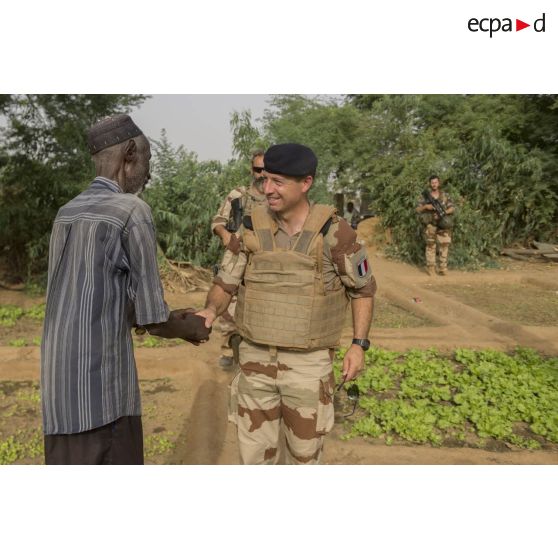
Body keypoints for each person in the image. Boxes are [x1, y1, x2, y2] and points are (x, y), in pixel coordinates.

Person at [40, 114, 210, 465]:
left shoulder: (66, 213)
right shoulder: (131, 210)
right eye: (148, 161)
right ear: (130, 153)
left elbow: (93, 293)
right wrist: (189, 326)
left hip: (59, 396)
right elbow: (153, 320)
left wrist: (154, 315)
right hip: (103, 398)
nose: (148, 173)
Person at [197, 143, 377, 465]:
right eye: (265, 180)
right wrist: (211, 310)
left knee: (304, 460)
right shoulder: (250, 227)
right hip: (254, 363)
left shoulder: (335, 232)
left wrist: (359, 345)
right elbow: (226, 282)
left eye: (278, 182)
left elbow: (362, 290)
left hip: (308, 368)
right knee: (255, 459)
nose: (267, 189)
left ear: (305, 183)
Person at [210, 150, 267, 369]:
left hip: (262, 260)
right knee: (227, 305)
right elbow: (217, 221)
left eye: (266, 169)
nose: (262, 174)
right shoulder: (238, 196)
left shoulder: (276, 197)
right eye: (258, 169)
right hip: (235, 256)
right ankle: (228, 349)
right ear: (251, 170)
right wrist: (227, 236)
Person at [416, 175, 456, 276]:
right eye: (432, 182)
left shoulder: (445, 195)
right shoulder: (425, 196)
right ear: (430, 184)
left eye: (436, 182)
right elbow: (417, 209)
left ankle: (442, 268)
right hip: (431, 224)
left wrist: (443, 213)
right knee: (430, 245)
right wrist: (426, 206)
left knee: (444, 245)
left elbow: (452, 208)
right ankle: (431, 268)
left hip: (443, 223)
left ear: (439, 183)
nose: (434, 184)